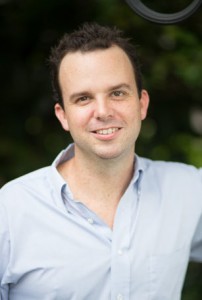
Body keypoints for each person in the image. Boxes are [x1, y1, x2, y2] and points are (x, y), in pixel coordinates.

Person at [0, 22, 202, 300]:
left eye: (117, 93)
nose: (103, 111)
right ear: (63, 116)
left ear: (142, 103)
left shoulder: (187, 190)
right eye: (83, 98)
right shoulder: (10, 211)